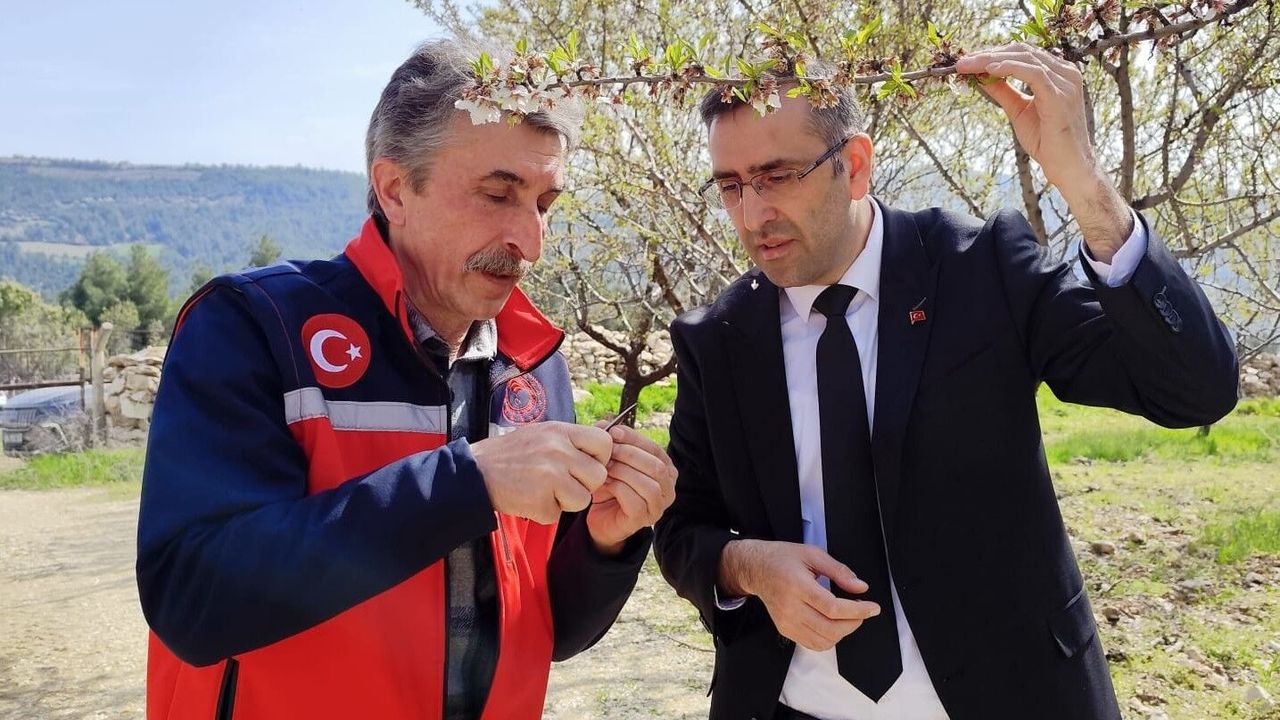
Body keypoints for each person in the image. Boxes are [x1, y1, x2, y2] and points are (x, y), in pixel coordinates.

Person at [653, 43, 1238, 720]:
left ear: (855, 165)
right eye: (730, 186)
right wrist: (750, 567)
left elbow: (1193, 390)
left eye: (777, 176)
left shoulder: (982, 269)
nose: (752, 216)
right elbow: (682, 529)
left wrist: (1085, 187)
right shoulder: (717, 339)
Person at [136, 39, 676, 720]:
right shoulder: (254, 326)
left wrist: (606, 542)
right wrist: (466, 483)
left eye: (544, 203)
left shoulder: (535, 367)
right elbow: (193, 599)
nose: (531, 242)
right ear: (395, 189)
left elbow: (549, 631)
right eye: (497, 194)